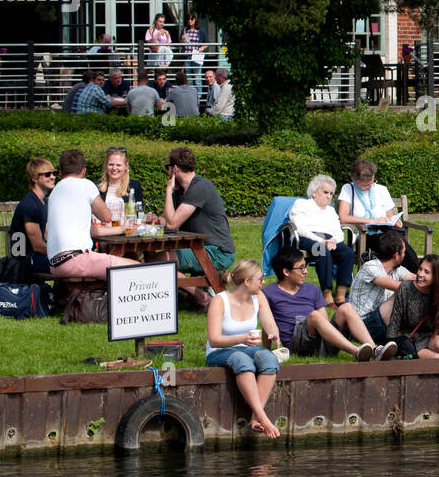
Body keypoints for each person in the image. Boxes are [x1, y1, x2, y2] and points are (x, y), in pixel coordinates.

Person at [205, 259, 281, 438]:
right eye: (260, 279)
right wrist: (242, 339)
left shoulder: (259, 297)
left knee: (269, 359)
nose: (264, 282)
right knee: (242, 360)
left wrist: (273, 333)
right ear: (247, 282)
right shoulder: (220, 300)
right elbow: (214, 340)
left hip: (245, 346)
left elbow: (270, 324)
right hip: (219, 351)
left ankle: (255, 418)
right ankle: (263, 417)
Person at [264, 248, 380, 360]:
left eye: (305, 266)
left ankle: (375, 351)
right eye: (301, 268)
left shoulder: (311, 289)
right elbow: (266, 322)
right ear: (286, 272)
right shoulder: (269, 293)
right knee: (314, 316)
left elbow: (323, 318)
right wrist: (266, 350)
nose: (305, 271)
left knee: (347, 307)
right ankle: (356, 351)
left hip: (320, 340)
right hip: (297, 345)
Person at [46, 149, 138, 280]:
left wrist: (121, 229)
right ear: (84, 170)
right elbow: (106, 216)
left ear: (60, 172)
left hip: (55, 264)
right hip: (77, 259)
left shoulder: (54, 192)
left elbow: (47, 232)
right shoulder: (86, 185)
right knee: (138, 268)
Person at [163, 146, 237, 305]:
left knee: (160, 262)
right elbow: (167, 220)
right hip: (198, 247)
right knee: (152, 258)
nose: (167, 172)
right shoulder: (182, 191)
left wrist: (168, 191)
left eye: (168, 168)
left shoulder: (200, 187)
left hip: (217, 251)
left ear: (175, 168)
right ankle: (195, 292)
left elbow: (172, 223)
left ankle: (202, 297)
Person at [333, 231, 406, 355]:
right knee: (403, 293)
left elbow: (417, 279)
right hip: (361, 325)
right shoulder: (370, 267)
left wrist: (438, 290)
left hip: (379, 324)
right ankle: (377, 349)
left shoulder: (396, 270)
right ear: (396, 255)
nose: (405, 255)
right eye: (404, 252)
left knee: (416, 291)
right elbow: (400, 287)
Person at [287, 175, 355, 310]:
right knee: (321, 251)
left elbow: (338, 231)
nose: (329, 196)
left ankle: (340, 295)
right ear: (314, 192)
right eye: (325, 192)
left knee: (347, 253)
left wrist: (335, 240)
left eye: (331, 193)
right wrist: (321, 241)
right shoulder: (302, 204)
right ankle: (327, 294)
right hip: (309, 238)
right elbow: (299, 227)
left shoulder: (330, 211)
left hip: (330, 239)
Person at [337, 159, 416, 272]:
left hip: (387, 231)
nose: (370, 186)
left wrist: (394, 221)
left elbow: (390, 215)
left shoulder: (381, 190)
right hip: (366, 234)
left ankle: (413, 278)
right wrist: (371, 221)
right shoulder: (348, 189)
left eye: (372, 182)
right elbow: (343, 217)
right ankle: (416, 277)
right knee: (396, 245)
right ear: (354, 180)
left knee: (400, 245)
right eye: (366, 185)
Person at [379, 254, 439, 358]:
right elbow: (394, 324)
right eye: (420, 269)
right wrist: (394, 344)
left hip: (430, 336)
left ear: (437, 276)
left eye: (426, 272)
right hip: (408, 338)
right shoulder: (405, 288)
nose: (420, 274)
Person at [9, 157, 55, 274]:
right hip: (24, 260)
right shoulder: (30, 205)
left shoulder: (45, 202)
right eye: (47, 174)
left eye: (53, 173)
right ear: (34, 178)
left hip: (37, 256)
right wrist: (60, 252)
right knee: (67, 264)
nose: (53, 177)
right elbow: (38, 246)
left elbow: (46, 234)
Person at [98, 147, 146, 227]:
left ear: (126, 166)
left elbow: (139, 214)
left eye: (118, 165)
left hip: (127, 234)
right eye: (111, 164)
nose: (114, 168)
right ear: (106, 166)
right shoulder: (96, 187)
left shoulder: (134, 186)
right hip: (104, 234)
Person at [182, 12, 209, 82]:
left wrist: (202, 48)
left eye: (192, 19)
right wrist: (183, 39)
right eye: (188, 19)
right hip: (187, 56)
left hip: (196, 55)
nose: (190, 20)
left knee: (197, 79)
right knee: (189, 78)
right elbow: (181, 44)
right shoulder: (185, 30)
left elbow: (207, 42)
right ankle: (191, 93)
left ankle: (199, 93)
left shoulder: (200, 30)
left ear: (195, 19)